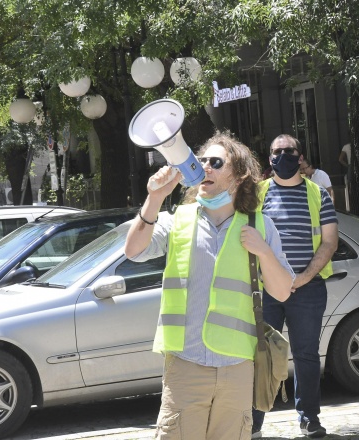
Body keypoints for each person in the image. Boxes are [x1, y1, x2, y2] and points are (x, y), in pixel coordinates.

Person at [124, 132, 295, 440]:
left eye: (215, 162)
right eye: (201, 161)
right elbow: (133, 251)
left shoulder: (259, 225)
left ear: (239, 176)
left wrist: (264, 252)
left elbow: (283, 292)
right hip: (186, 365)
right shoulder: (178, 219)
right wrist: (155, 198)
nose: (205, 168)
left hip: (237, 369)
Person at [252, 134, 338, 439]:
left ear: (300, 157)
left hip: (308, 288)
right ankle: (254, 423)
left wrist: (302, 277)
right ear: (269, 158)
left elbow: (329, 242)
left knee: (306, 355)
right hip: (265, 290)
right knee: (262, 355)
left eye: (289, 151)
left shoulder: (318, 194)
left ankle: (309, 419)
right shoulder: (257, 194)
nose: (283, 156)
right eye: (277, 152)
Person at [338, 142, 351, 210]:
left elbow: (340, 159)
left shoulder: (346, 146)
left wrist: (348, 166)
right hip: (351, 166)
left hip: (350, 166)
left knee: (350, 184)